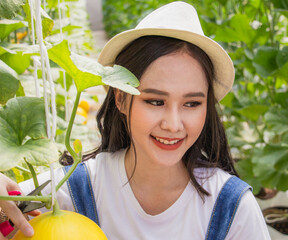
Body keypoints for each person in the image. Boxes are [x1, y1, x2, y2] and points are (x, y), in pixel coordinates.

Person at [0, 1, 271, 239]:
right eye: (155, 101)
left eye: (192, 103)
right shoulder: (69, 191)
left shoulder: (232, 208)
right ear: (120, 99)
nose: (173, 124)